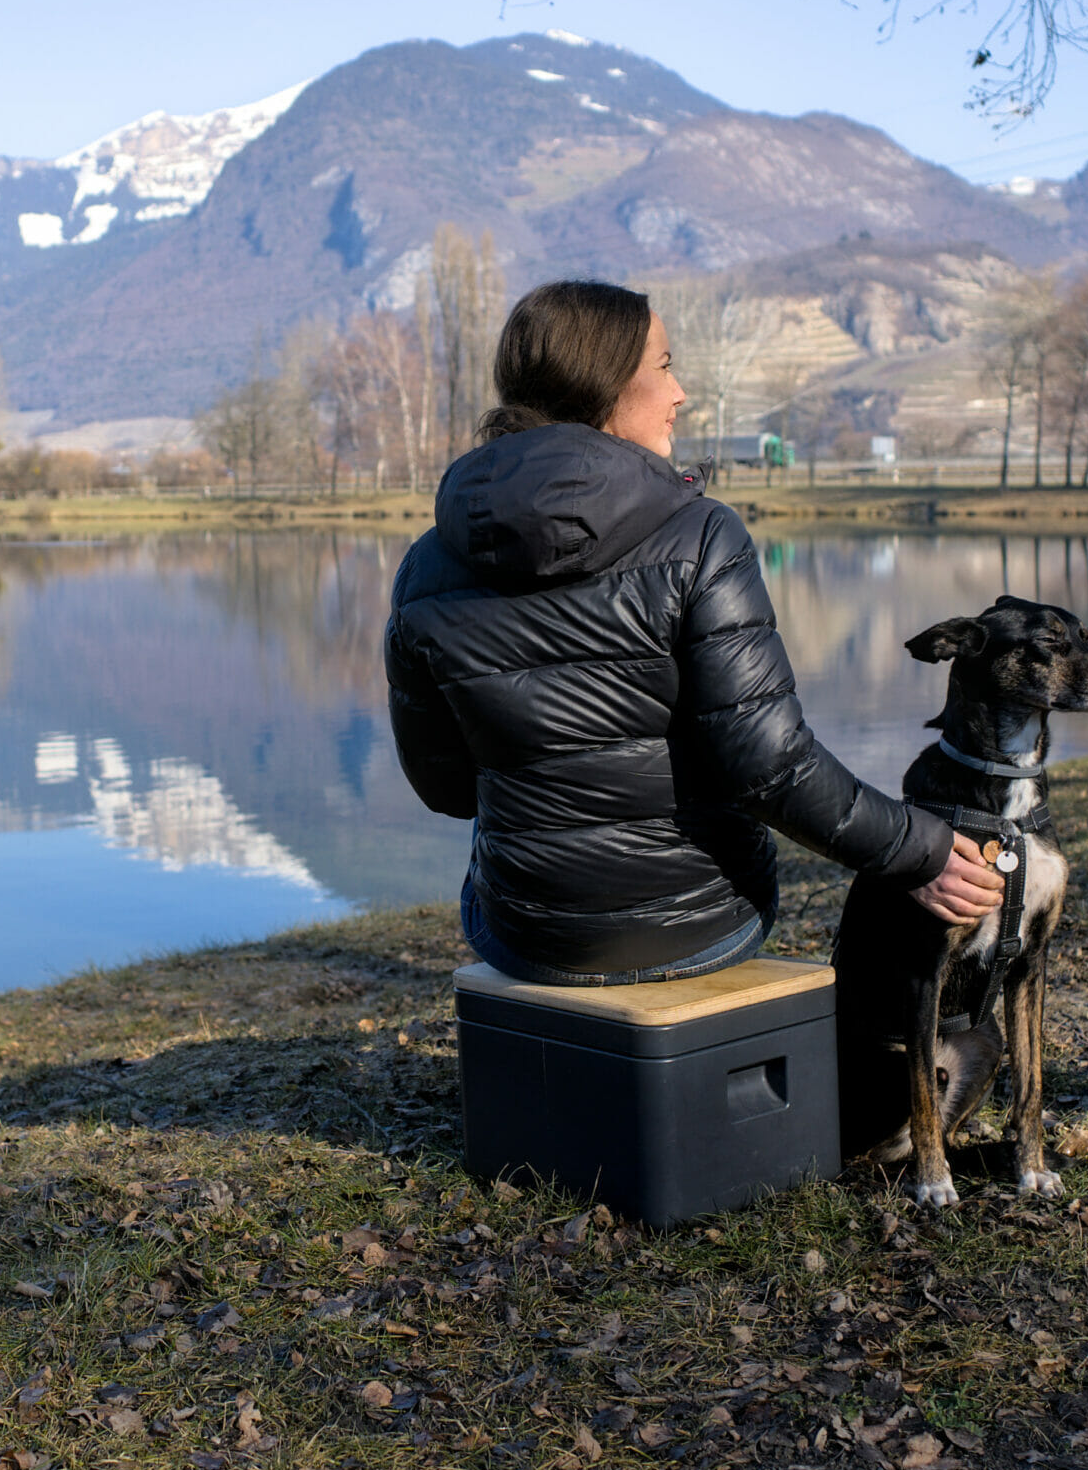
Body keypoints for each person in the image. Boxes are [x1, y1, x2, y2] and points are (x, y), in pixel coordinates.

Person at [385, 280, 1003, 985]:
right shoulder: (702, 534)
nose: (681, 394)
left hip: (523, 932)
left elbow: (446, 788)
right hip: (701, 926)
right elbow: (770, 766)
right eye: (666, 366)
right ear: (607, 384)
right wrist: (917, 855)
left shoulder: (426, 566)